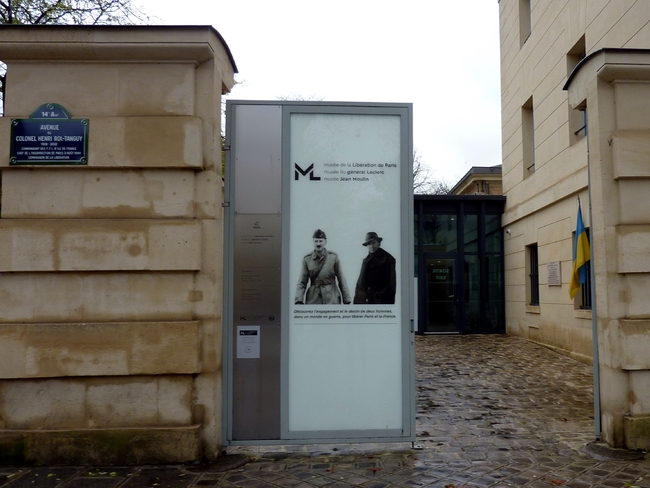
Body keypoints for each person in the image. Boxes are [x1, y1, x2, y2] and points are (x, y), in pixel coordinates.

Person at [295, 229, 351, 305]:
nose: (318, 244)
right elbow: (302, 282)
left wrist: (346, 299)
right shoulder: (307, 259)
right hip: (314, 299)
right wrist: (299, 300)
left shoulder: (333, 257)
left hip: (332, 297)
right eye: (316, 241)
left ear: (325, 242)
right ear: (313, 242)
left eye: (320, 241)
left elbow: (341, 279)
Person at [353, 232, 396, 304]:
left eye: (374, 243)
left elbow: (391, 284)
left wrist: (379, 296)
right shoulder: (366, 260)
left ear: (379, 243)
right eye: (369, 244)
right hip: (365, 300)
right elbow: (360, 283)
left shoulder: (387, 259)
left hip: (380, 300)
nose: (371, 246)